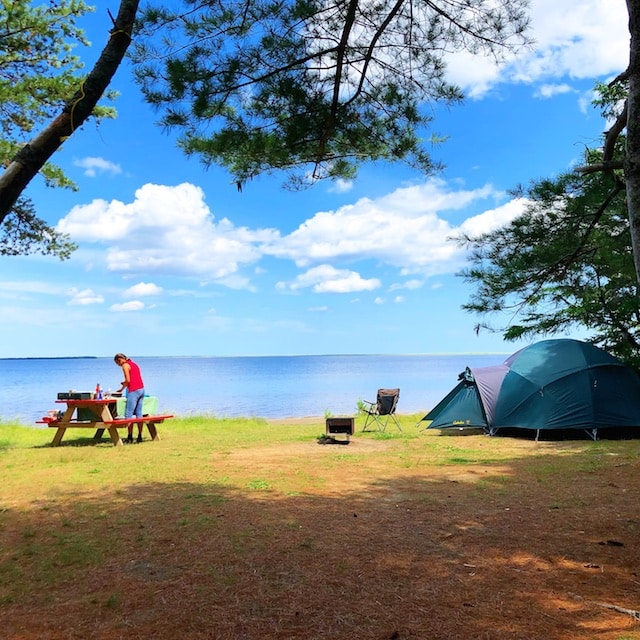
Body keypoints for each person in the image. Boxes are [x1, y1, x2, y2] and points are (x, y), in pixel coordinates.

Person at [114, 353, 146, 443]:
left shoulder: (125, 365)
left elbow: (128, 380)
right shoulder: (134, 364)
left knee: (129, 414)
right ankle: (140, 436)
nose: (118, 365)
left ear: (120, 360)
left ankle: (130, 436)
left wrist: (121, 389)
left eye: (117, 363)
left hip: (134, 390)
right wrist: (124, 384)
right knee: (139, 414)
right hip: (142, 389)